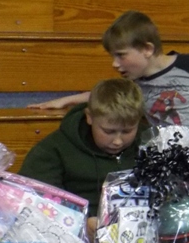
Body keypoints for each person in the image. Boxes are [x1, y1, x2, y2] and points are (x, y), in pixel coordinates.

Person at [29, 11, 189, 146]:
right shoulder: (135, 87)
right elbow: (105, 96)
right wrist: (66, 100)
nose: (114, 64)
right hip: (177, 167)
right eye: (113, 56)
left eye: (121, 55)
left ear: (147, 49)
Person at [21, 78, 147, 216]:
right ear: (89, 117)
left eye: (127, 131)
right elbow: (37, 201)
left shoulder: (150, 144)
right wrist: (84, 222)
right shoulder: (53, 150)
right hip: (76, 224)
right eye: (108, 132)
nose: (118, 141)